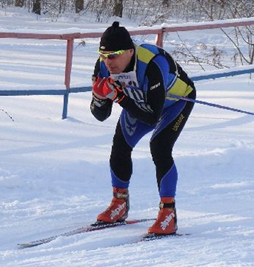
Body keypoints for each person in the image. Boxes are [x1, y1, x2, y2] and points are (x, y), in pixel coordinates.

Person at [90, 21, 196, 235]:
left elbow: (152, 116)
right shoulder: (102, 66)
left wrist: (119, 96)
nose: (108, 62)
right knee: (120, 145)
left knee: (159, 146)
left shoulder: (153, 63)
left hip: (175, 102)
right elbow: (101, 116)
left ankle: (169, 213)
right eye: (103, 55)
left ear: (130, 51)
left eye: (113, 55)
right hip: (138, 103)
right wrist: (100, 98)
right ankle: (119, 202)